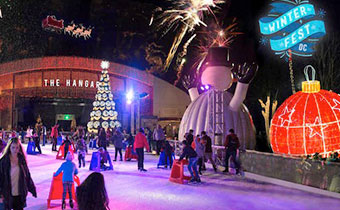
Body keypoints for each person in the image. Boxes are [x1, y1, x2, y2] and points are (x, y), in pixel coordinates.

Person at [0, 138, 37, 210]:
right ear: (9, 147)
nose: (15, 150)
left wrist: (32, 188)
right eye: (13, 147)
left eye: (17, 147)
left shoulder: (21, 160)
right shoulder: (3, 161)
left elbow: (27, 176)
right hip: (7, 194)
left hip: (19, 194)